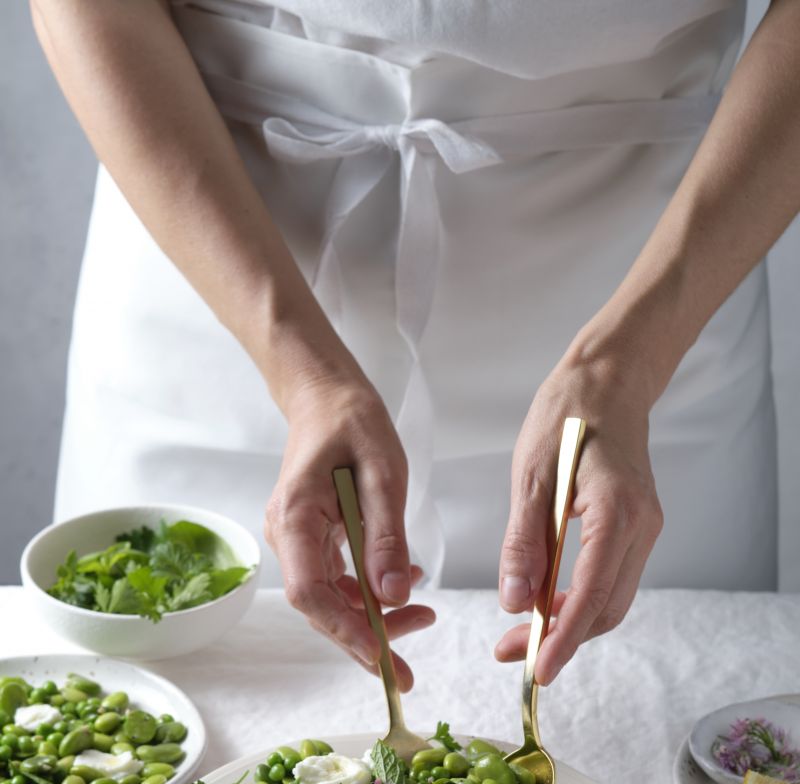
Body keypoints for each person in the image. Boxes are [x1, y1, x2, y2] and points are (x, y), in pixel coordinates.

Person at [33, 1, 800, 690]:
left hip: (652, 280)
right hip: (217, 249)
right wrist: (302, 375)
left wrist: (627, 365)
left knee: (668, 735)